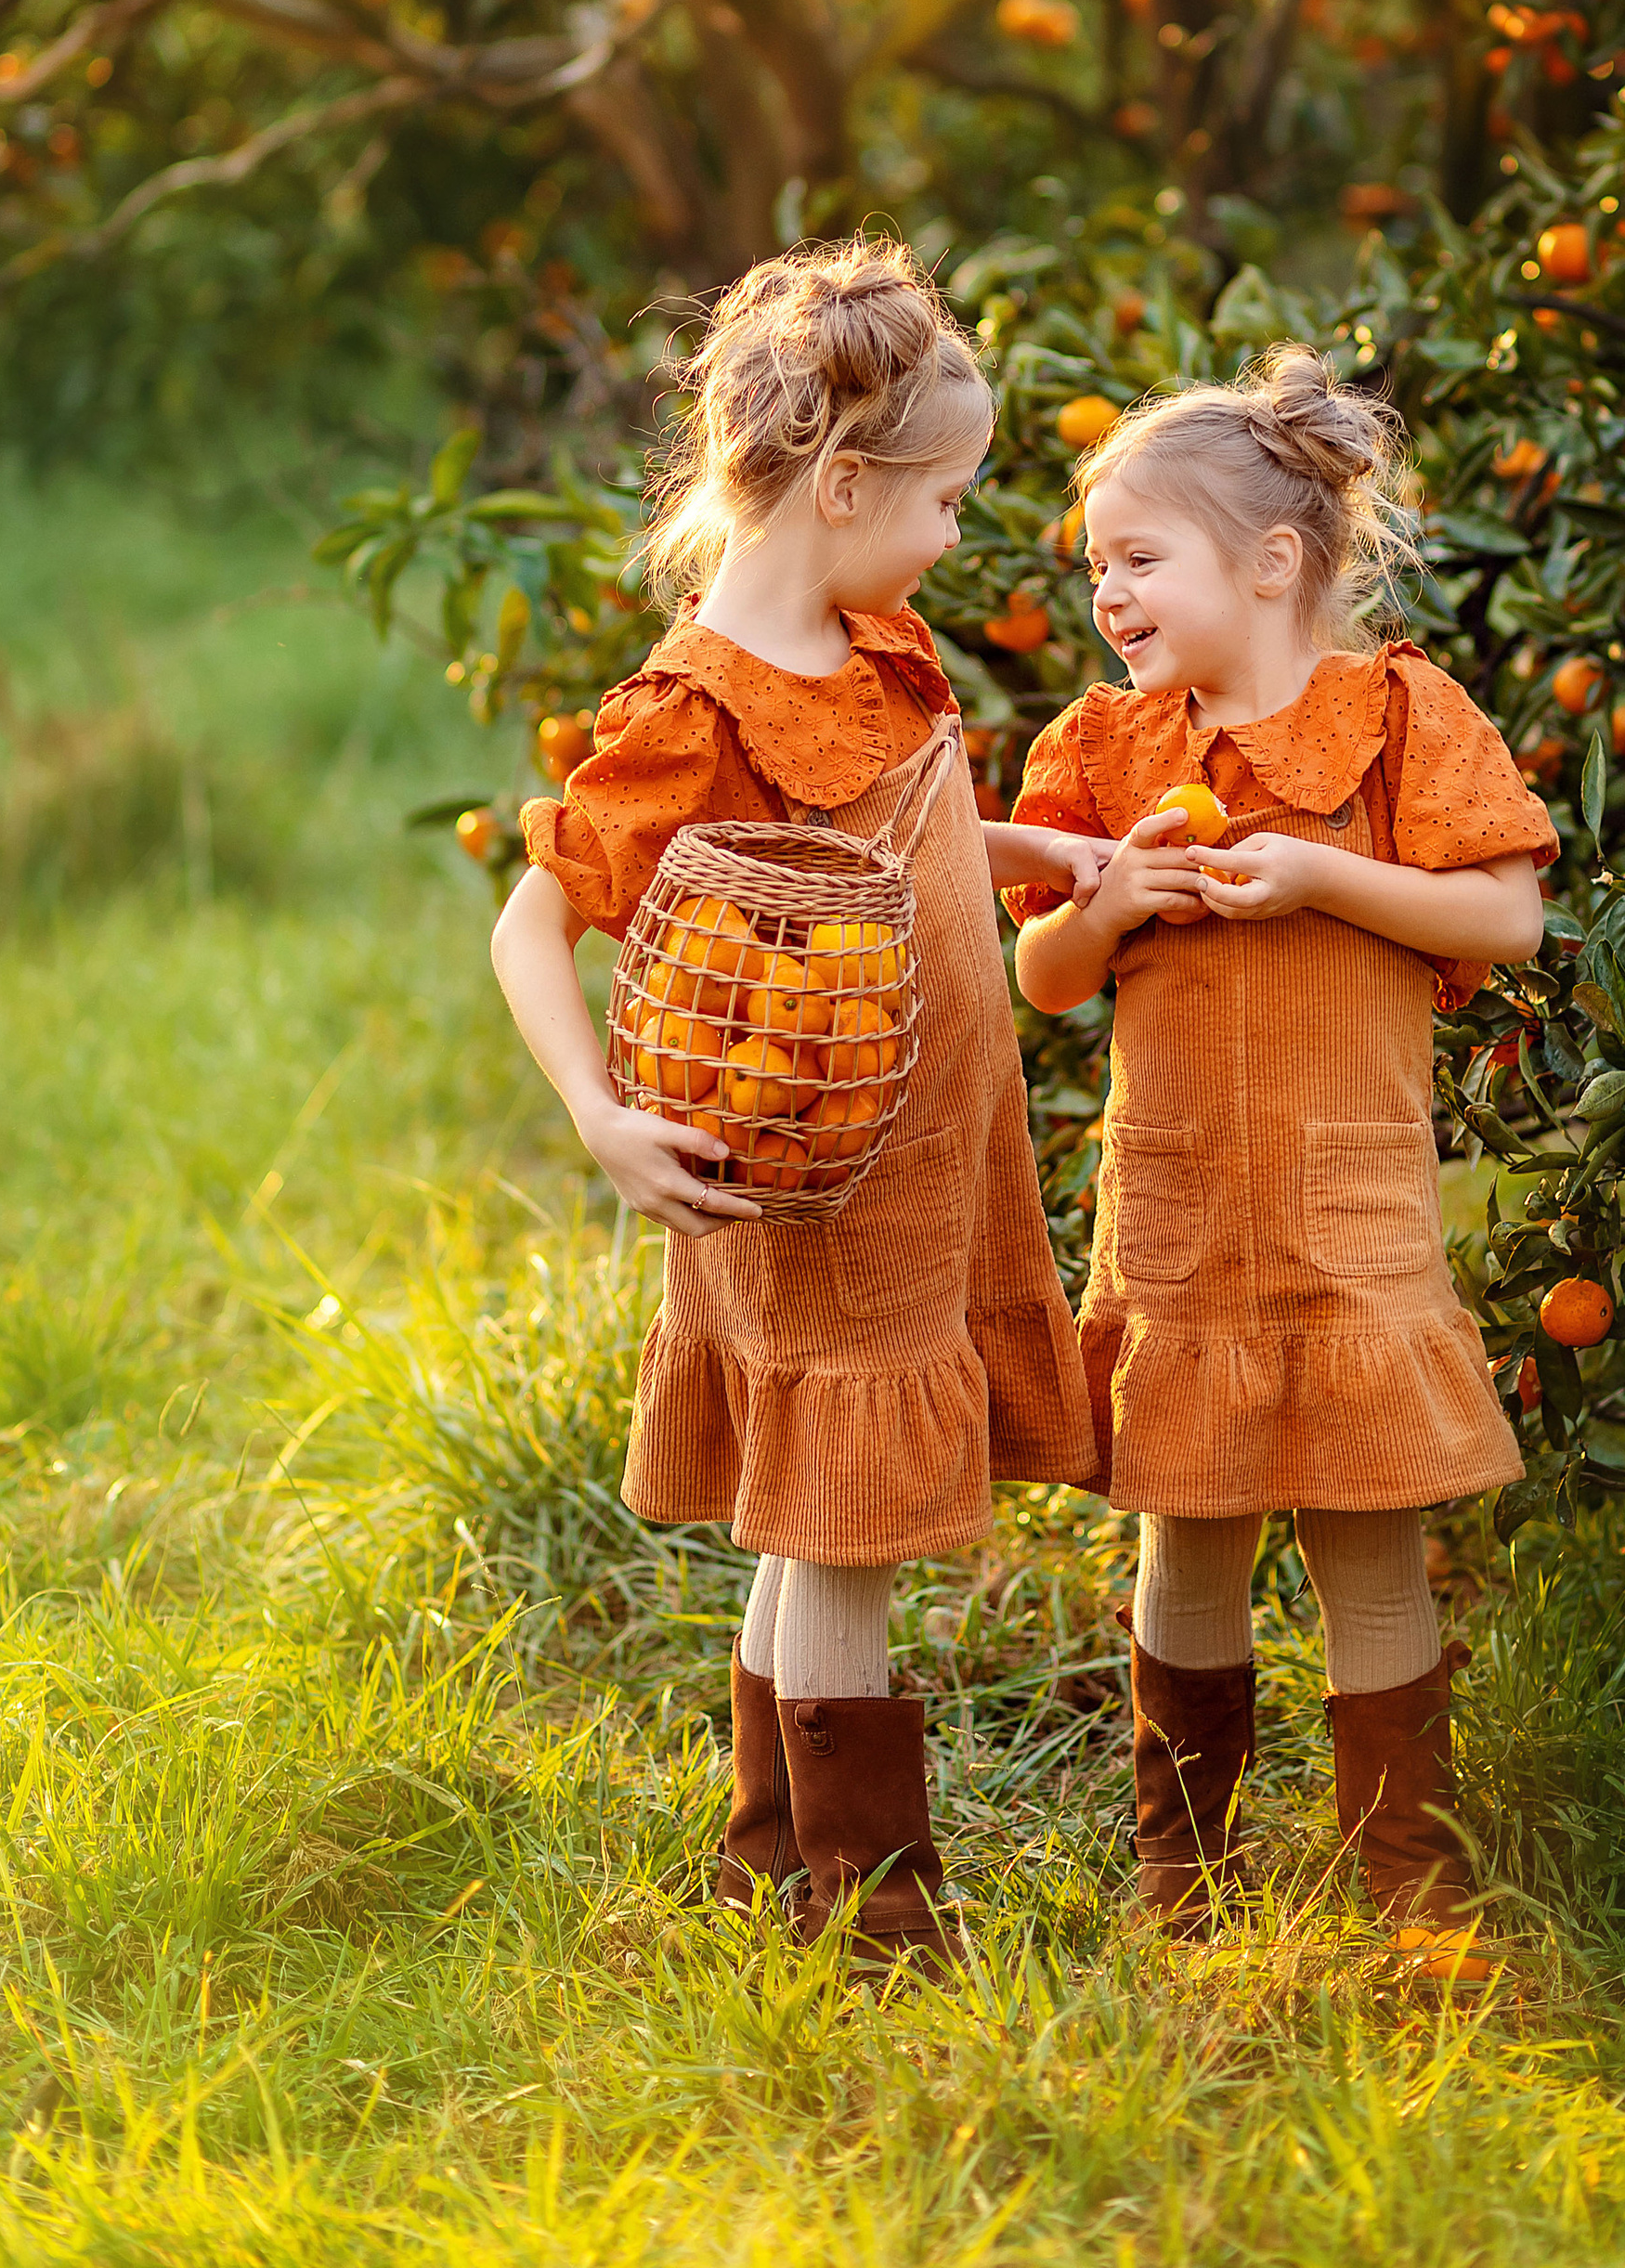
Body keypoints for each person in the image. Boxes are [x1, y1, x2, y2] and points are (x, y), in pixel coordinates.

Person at [491, 240, 1103, 1963]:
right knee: (848, 1535)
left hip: (920, 1167)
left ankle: (771, 1859)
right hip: (811, 1188)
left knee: (816, 1524)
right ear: (842, 484)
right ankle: (878, 1914)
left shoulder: (870, 640)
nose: (957, 535)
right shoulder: (694, 712)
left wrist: (1034, 847)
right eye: (948, 499)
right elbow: (531, 920)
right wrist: (604, 1118)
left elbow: (890, 837)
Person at [1008, 347, 1553, 1968]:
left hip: (1349, 1216)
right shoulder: (1106, 749)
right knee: (1189, 1536)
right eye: (1097, 563)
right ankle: (1189, 1876)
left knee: (1372, 1536)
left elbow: (1506, 917)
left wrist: (1322, 875)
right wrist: (1102, 908)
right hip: (1181, 1218)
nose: (1110, 590)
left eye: (1138, 557)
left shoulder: (1401, 722)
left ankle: (1414, 1892)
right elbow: (1038, 969)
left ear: (1270, 561)